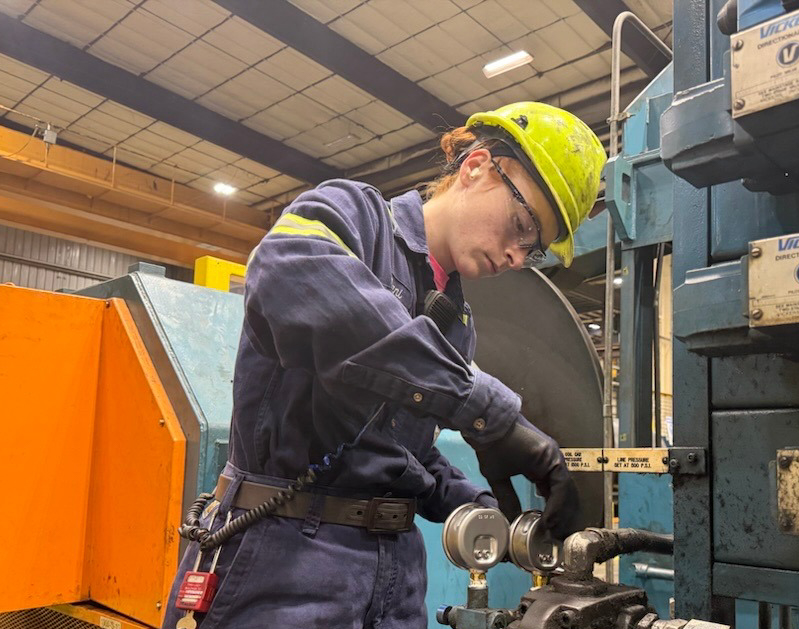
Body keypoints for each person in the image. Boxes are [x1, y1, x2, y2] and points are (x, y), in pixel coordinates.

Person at [163, 101, 607, 629]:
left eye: (532, 250)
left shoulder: (458, 322)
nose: (516, 255)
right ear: (477, 167)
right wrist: (488, 413)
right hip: (285, 563)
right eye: (520, 224)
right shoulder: (352, 215)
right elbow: (292, 276)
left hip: (396, 575)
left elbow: (398, 454)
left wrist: (495, 512)